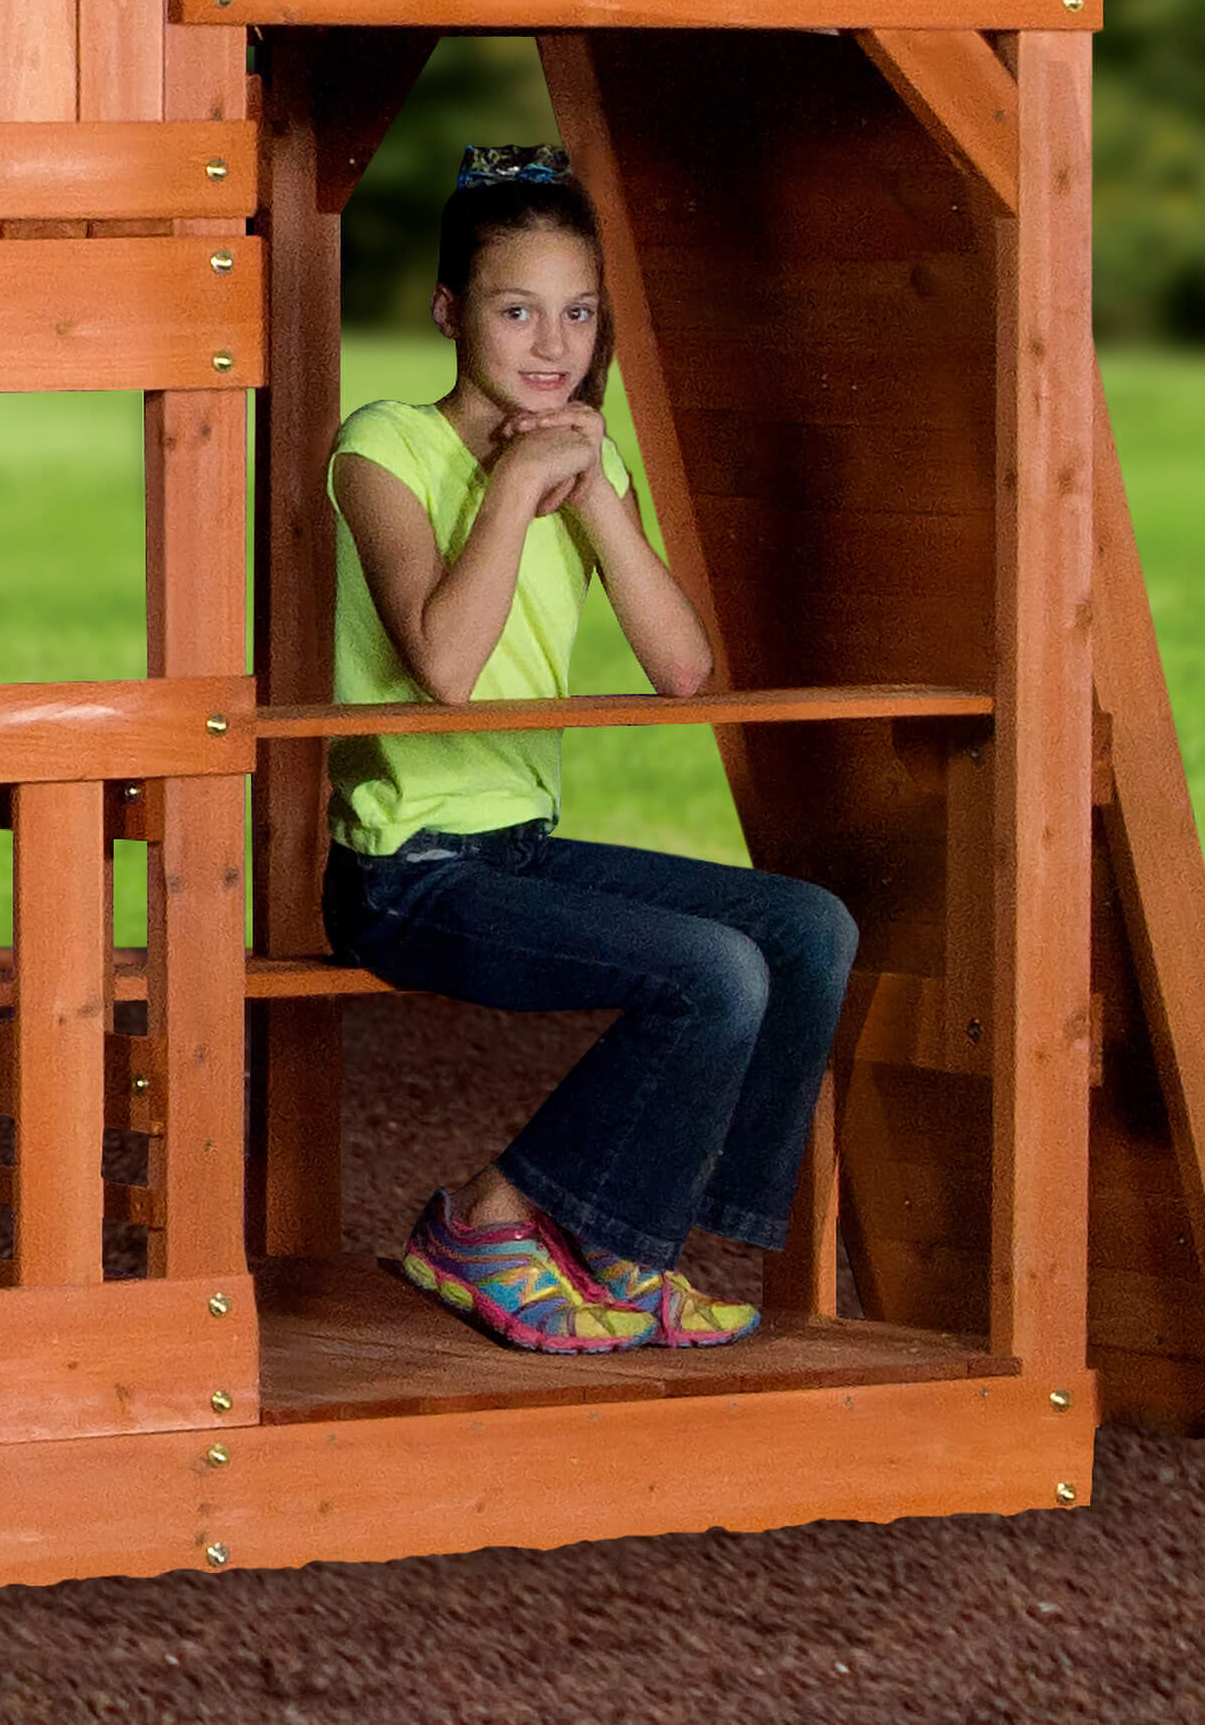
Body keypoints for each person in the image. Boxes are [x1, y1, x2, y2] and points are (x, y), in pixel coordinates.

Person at [321, 144, 859, 1356]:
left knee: (805, 929)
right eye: (517, 311)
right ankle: (487, 1218)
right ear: (450, 311)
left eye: (577, 314)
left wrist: (600, 491)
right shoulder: (381, 447)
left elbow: (681, 667)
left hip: (518, 848)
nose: (549, 344)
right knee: (712, 973)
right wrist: (514, 484)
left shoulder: (583, 457)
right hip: (405, 868)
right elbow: (444, 666)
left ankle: (628, 1247)